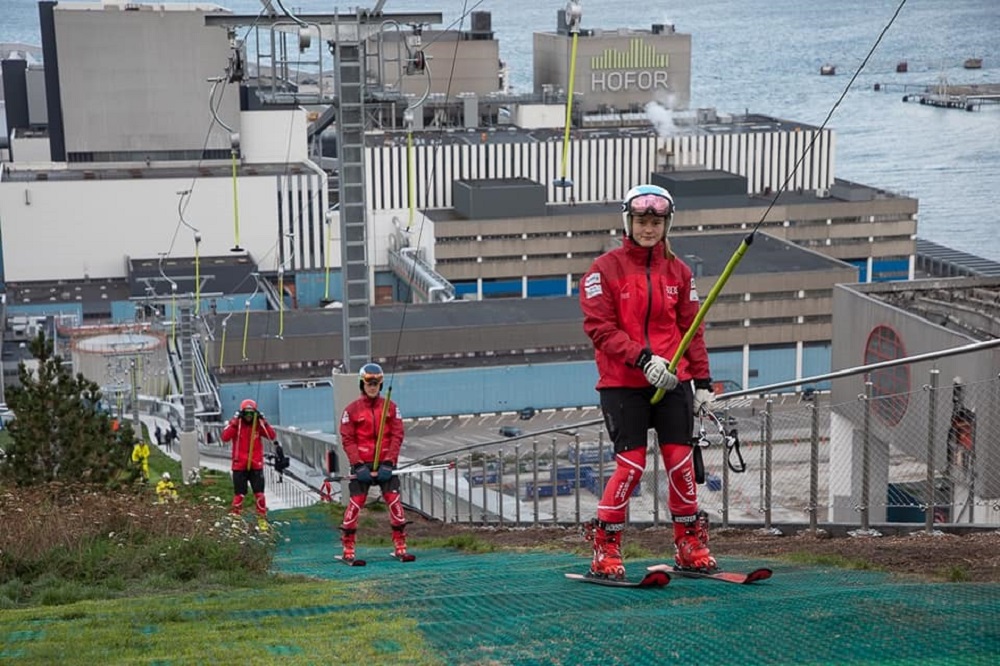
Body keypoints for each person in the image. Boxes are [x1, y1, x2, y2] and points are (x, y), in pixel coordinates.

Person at [578, 183, 717, 579]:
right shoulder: (603, 269)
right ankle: (605, 548)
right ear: (629, 222)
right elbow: (599, 328)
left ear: (667, 223)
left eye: (656, 221)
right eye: (642, 220)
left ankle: (689, 544)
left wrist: (703, 382)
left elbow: (692, 327)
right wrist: (643, 358)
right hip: (624, 382)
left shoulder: (680, 271)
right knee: (631, 465)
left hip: (674, 381)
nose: (649, 228)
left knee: (679, 462)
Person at [337, 362, 410, 561]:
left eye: (377, 383)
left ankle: (400, 544)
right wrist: (358, 464)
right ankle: (348, 547)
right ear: (362, 384)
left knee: (394, 501)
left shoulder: (391, 408)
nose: (373, 387)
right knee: (356, 503)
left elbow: (397, 435)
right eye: (369, 383)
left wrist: (389, 461)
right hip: (362, 464)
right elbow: (348, 439)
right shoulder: (351, 410)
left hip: (386, 464)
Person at [221, 398, 277, 531]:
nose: (248, 416)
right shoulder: (237, 424)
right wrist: (234, 422)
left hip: (255, 465)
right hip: (239, 465)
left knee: (259, 494)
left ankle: (262, 520)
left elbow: (271, 435)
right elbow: (225, 437)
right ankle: (236, 521)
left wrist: (264, 421)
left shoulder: (258, 424)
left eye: (251, 414)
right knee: (239, 495)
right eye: (246, 413)